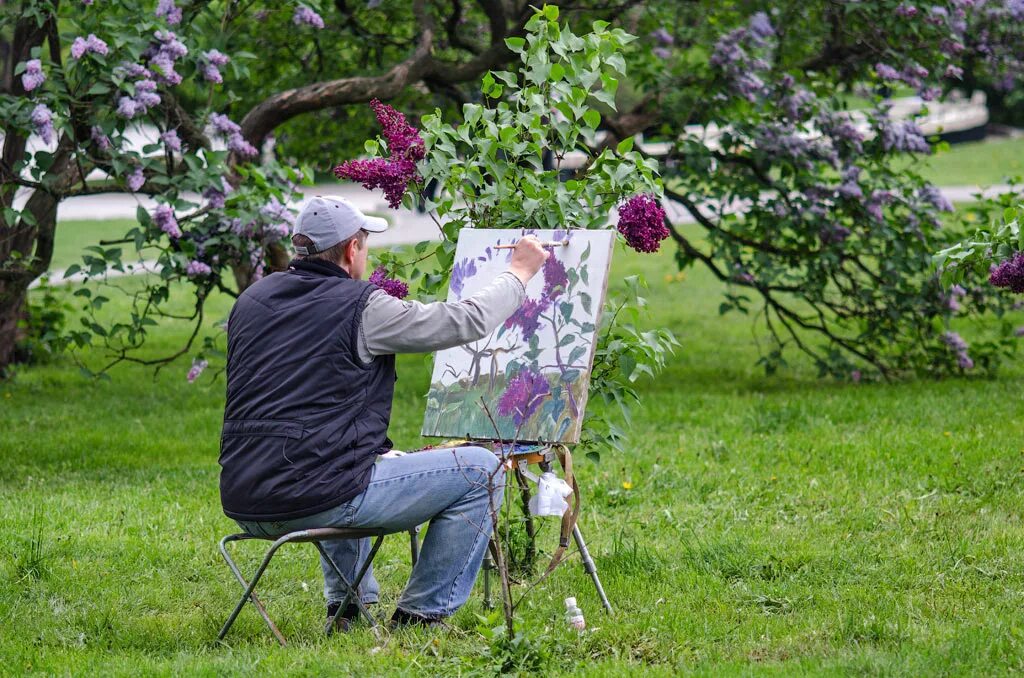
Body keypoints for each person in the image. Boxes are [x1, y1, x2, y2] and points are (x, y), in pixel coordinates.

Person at [219, 195, 549, 631]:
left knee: (339, 461)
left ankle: (349, 612)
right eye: (365, 244)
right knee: (483, 470)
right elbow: (460, 322)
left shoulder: (251, 302)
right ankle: (421, 617)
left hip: (244, 497)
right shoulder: (362, 306)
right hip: (314, 496)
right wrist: (520, 272)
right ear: (353, 250)